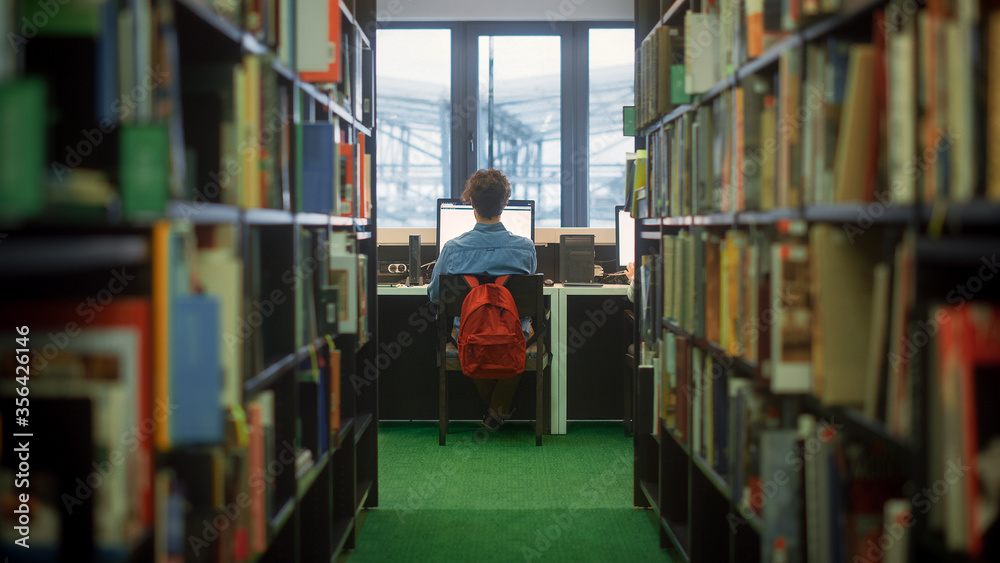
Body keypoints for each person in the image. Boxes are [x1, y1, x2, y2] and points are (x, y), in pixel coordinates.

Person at [427, 168, 537, 431]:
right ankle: (498, 411)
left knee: (471, 333)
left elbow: (433, 295)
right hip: (513, 333)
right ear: (505, 203)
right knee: (527, 332)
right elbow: (528, 294)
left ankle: (495, 412)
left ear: (471, 203)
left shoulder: (453, 248)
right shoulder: (526, 247)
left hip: (468, 336)